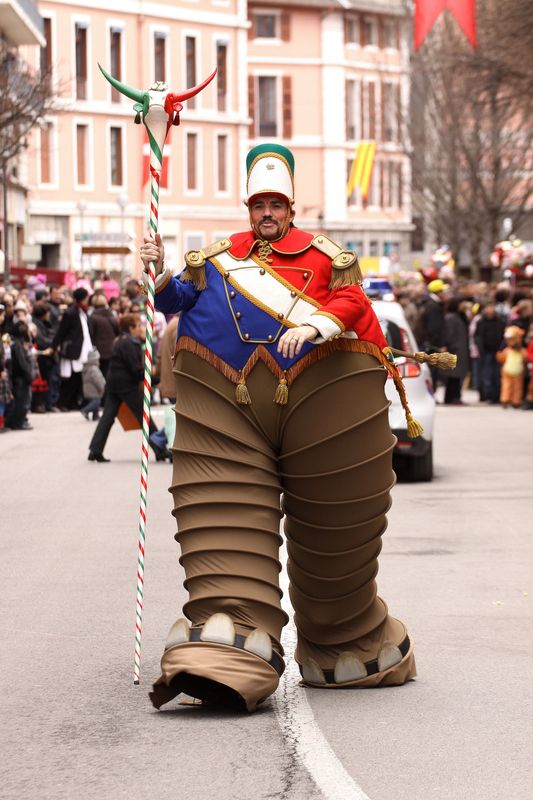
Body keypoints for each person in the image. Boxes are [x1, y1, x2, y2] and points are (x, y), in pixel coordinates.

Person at [140, 144, 417, 713]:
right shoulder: (216, 260)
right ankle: (232, 631)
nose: (267, 212)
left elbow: (352, 303)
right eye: (258, 203)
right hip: (227, 402)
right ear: (249, 207)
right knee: (221, 509)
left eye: (276, 203)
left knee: (336, 522)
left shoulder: (328, 258)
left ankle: (344, 633)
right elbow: (177, 300)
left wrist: (317, 325)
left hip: (324, 400)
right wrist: (159, 270)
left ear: (290, 208)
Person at [88, 313, 170, 462]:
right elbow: (136, 370)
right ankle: (160, 449)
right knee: (144, 417)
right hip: (126, 386)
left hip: (114, 384)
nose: (141, 328)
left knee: (107, 417)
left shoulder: (120, 340)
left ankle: (95, 449)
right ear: (131, 328)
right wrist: (156, 380)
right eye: (139, 325)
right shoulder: (130, 343)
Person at [52, 287, 93, 410]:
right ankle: (63, 402)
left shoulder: (84, 312)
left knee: (78, 378)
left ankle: (73, 402)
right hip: (74, 350)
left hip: (84, 350)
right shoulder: (70, 313)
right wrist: (53, 346)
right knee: (70, 379)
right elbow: (61, 331)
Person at [474, 302, 506, 404]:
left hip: (497, 350)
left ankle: (496, 396)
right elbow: (477, 336)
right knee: (486, 374)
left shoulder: (500, 321)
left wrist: (501, 348)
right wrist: (480, 348)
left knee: (496, 374)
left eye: (491, 307)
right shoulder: (481, 321)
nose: (490, 310)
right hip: (485, 351)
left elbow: (503, 335)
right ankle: (487, 395)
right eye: (488, 308)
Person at [442, 297, 470, 404]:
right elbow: (449, 334)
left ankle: (455, 396)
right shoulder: (451, 318)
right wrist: (451, 346)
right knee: (453, 375)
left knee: (457, 376)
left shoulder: (460, 316)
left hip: (459, 349)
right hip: (455, 349)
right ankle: (453, 397)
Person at [88, 293, 120, 380]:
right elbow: (118, 331)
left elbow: (90, 334)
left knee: (101, 376)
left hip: (98, 352)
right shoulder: (111, 315)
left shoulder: (92, 317)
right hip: (111, 350)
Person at [496, 326, 527, 409]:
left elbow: (525, 357)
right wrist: (499, 355)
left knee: (517, 387)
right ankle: (505, 399)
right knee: (506, 386)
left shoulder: (522, 351)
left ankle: (516, 401)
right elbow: (501, 358)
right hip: (507, 371)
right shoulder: (507, 350)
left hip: (518, 372)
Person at [81, 347, 106, 421]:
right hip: (94, 389)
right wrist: (102, 387)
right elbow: (98, 380)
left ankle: (96, 416)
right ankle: (85, 410)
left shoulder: (86, 368)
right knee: (97, 401)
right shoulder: (94, 369)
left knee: (95, 403)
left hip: (88, 390)